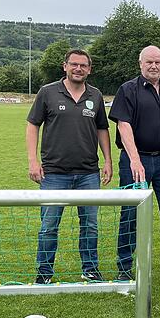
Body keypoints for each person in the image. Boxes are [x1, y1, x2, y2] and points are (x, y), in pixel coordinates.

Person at [26, 49, 112, 284]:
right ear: (65, 66)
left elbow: (102, 129)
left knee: (90, 226)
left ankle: (90, 269)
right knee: (48, 227)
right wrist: (33, 161)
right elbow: (33, 125)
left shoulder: (95, 95)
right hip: (54, 174)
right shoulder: (48, 92)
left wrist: (107, 160)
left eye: (83, 65)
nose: (78, 69)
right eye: (74, 64)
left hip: (88, 174)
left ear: (89, 69)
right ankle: (44, 274)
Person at [109, 45, 160, 280]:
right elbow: (123, 125)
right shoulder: (127, 90)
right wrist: (135, 160)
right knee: (130, 214)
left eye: (158, 62)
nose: (154, 66)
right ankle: (125, 266)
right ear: (140, 64)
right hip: (136, 160)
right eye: (149, 62)